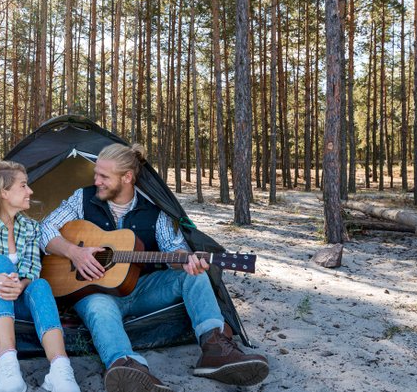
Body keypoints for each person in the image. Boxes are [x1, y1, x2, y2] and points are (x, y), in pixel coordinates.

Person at [39, 144, 270, 392]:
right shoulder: (82, 198)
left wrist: (186, 259)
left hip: (142, 289)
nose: (96, 181)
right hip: (94, 293)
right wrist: (75, 252)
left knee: (194, 277)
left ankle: (215, 347)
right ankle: (126, 365)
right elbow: (46, 229)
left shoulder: (154, 210)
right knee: (98, 307)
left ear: (127, 177)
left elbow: (174, 248)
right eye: (96, 174)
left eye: (103, 176)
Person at [0, 161, 81, 392]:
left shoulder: (31, 228)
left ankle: (60, 370)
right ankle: (9, 366)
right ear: (4, 193)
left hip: (20, 302)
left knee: (41, 284)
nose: (31, 191)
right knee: (0, 263)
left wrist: (22, 285)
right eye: (24, 186)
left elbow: (33, 271)